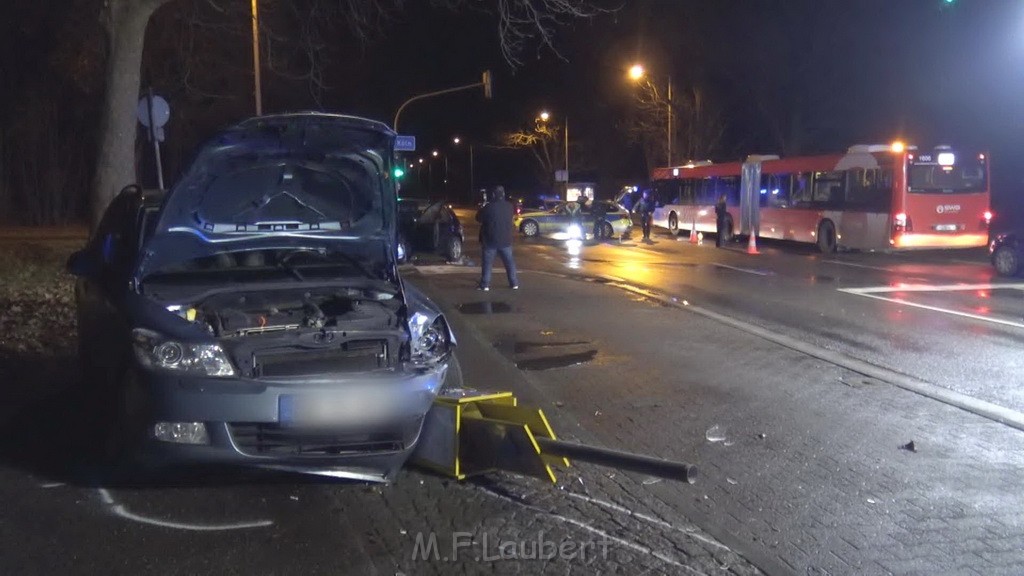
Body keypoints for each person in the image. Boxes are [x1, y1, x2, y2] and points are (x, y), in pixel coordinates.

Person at [475, 185, 519, 291]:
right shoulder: (509, 206)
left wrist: (483, 207)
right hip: (506, 240)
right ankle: (514, 283)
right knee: (509, 263)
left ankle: (485, 285)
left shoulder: (489, 207)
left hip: (490, 240)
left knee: (487, 264)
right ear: (503, 194)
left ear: (493, 195)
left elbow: (478, 218)